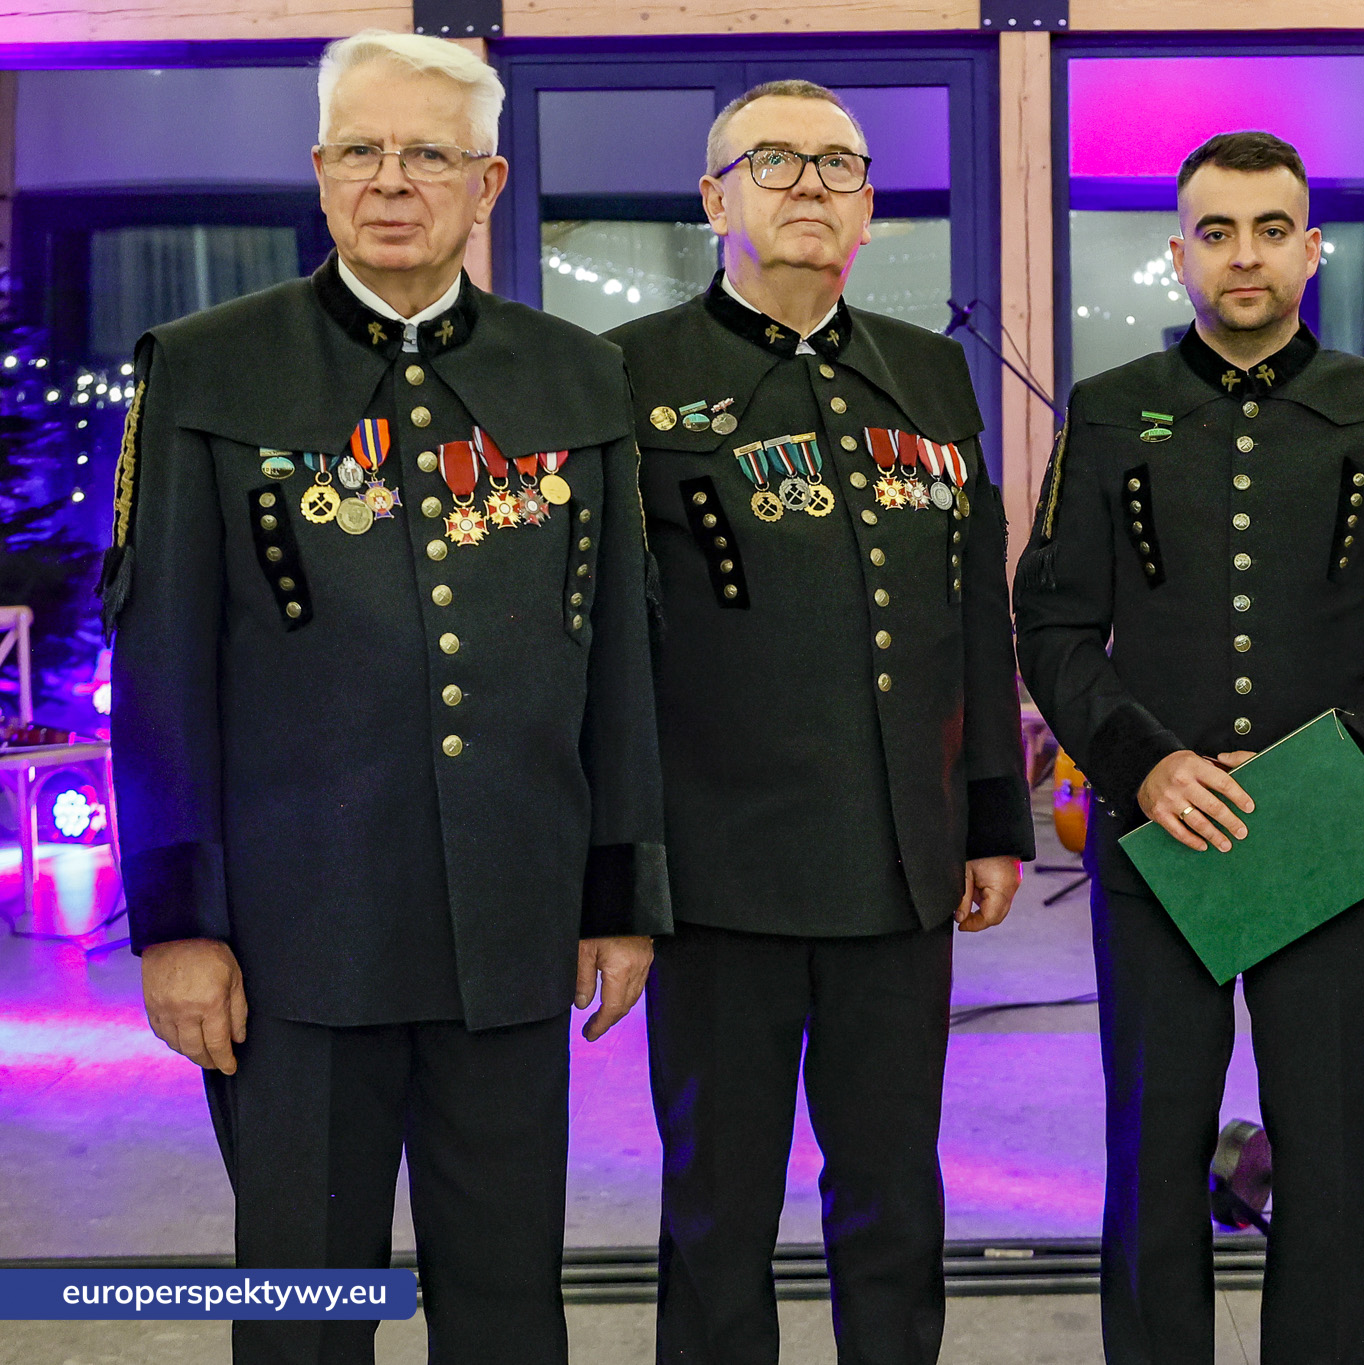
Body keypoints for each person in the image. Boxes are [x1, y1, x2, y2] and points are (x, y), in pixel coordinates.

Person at [106, 30, 670, 1364]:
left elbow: (615, 658)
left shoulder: (576, 376)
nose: (391, 179)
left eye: (427, 153)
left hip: (510, 927)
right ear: (320, 172)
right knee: (304, 1313)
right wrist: (176, 926)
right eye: (360, 150)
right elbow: (161, 669)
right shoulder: (207, 368)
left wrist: (618, 894)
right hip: (295, 942)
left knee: (507, 1307)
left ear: (487, 181)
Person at [1013, 130, 1364, 1365]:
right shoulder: (1108, 411)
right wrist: (1144, 763)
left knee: (1326, 1150)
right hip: (1155, 831)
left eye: (1270, 230)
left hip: (1323, 830)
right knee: (1151, 1144)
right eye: (1215, 232)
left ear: (1310, 249)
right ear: (1178, 254)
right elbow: (1050, 620)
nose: (1243, 255)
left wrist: (1340, 759)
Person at [604, 80, 1034, 1365]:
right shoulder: (629, 373)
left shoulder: (926, 372)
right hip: (718, 872)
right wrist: (619, 870)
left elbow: (972, 612)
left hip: (897, 866)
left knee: (894, 1196)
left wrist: (990, 820)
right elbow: (607, 647)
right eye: (773, 161)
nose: (808, 185)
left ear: (867, 207)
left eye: (838, 165)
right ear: (713, 198)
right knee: (717, 1206)